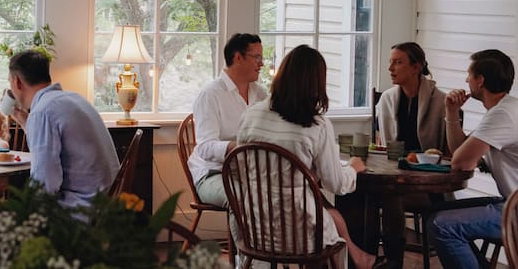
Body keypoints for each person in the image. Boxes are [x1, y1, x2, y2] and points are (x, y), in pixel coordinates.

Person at [238, 45, 387, 269]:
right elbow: (336, 184)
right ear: (316, 84)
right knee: (323, 214)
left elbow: (241, 168)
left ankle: (360, 258)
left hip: (257, 229)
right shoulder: (316, 125)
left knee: (319, 206)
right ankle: (360, 259)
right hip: (300, 236)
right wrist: (353, 168)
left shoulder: (251, 115)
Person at [428, 49, 518, 269]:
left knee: (441, 225)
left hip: (514, 211)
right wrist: (451, 112)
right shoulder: (505, 109)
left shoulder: (502, 115)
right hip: (510, 203)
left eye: (469, 74)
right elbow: (460, 151)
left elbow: (460, 162)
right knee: (436, 212)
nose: (466, 80)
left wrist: (462, 156)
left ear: (480, 80)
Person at [8, 50, 120, 208]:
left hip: (81, 209)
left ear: (17, 82)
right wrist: (26, 122)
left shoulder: (42, 112)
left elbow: (44, 184)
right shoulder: (74, 98)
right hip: (109, 203)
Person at [375, 42, 447, 268]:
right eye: (390, 62)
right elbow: (383, 145)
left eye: (398, 62)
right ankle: (363, 258)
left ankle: (393, 261)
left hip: (426, 184)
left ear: (416, 67)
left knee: (391, 197)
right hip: (392, 176)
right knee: (357, 195)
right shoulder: (387, 99)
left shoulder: (441, 102)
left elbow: (447, 154)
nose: (390, 68)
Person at [188, 33, 267, 208]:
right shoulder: (210, 94)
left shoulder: (261, 95)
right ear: (238, 58)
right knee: (242, 199)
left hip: (251, 172)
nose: (261, 63)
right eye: (257, 57)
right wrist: (240, 146)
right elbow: (205, 147)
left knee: (280, 196)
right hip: (212, 172)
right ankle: (245, 228)